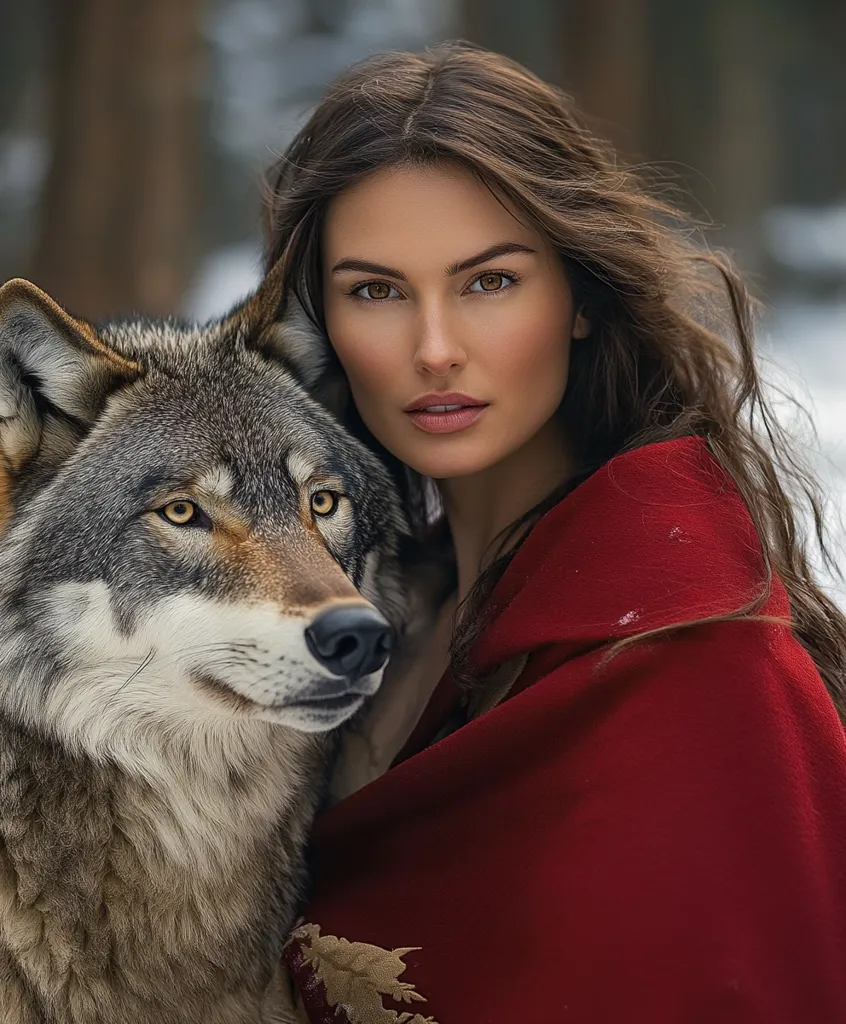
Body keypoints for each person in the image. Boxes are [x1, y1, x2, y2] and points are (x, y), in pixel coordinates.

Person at [262, 41, 846, 1024]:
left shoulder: (696, 650)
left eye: (489, 282)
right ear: (320, 316)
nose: (434, 348)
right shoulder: (360, 619)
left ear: (576, 298)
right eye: (377, 290)